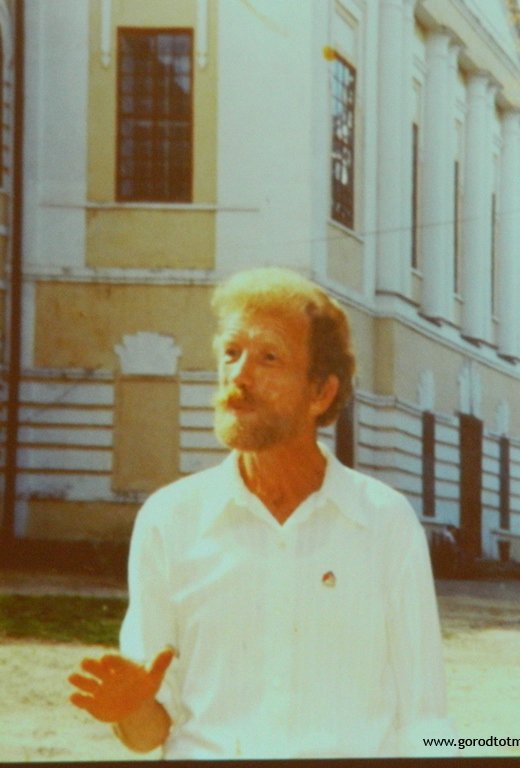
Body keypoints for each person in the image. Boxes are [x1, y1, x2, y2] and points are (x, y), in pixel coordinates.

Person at [68, 267, 455, 759]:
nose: (239, 376)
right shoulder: (170, 520)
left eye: (269, 357)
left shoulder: (385, 522)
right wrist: (128, 707)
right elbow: (147, 734)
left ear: (321, 392)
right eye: (231, 353)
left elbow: (426, 720)